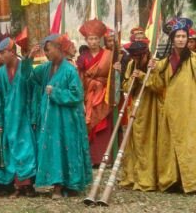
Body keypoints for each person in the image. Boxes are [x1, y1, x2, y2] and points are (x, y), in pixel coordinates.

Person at [24, 35, 92, 199]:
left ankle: (67, 185)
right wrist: (29, 59)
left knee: (66, 149)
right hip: (50, 121)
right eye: (45, 51)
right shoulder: (46, 68)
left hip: (66, 121)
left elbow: (77, 95)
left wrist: (55, 92)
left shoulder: (70, 70)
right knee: (54, 150)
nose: (46, 53)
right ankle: (57, 185)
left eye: (48, 50)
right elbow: (29, 77)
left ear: (58, 48)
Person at [148, 17, 196, 193]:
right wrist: (152, 70)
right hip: (170, 110)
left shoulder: (193, 60)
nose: (181, 39)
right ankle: (172, 180)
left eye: (184, 36)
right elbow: (157, 86)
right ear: (172, 39)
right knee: (171, 144)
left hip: (189, 109)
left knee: (189, 144)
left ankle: (190, 182)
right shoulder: (165, 62)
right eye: (178, 36)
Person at [0, 37, 36, 197]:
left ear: (12, 52)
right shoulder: (0, 73)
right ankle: (16, 186)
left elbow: (29, 83)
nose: (0, 57)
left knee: (26, 150)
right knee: (10, 151)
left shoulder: (23, 68)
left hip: (23, 117)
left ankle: (28, 185)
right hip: (7, 119)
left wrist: (33, 118)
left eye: (2, 53)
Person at [119, 40, 159, 191]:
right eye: (133, 57)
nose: (135, 60)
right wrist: (133, 80)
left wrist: (143, 76)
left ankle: (147, 178)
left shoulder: (154, 64)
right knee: (133, 140)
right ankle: (132, 176)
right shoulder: (130, 64)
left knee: (148, 141)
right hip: (135, 107)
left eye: (138, 57)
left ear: (145, 54)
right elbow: (125, 86)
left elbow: (159, 85)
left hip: (151, 108)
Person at [76, 19, 113, 166]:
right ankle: (91, 159)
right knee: (89, 125)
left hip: (104, 94)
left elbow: (112, 75)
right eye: (90, 39)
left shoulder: (108, 54)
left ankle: (104, 158)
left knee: (103, 125)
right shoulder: (82, 57)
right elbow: (79, 76)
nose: (93, 42)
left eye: (96, 39)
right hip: (88, 94)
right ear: (86, 40)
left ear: (100, 39)